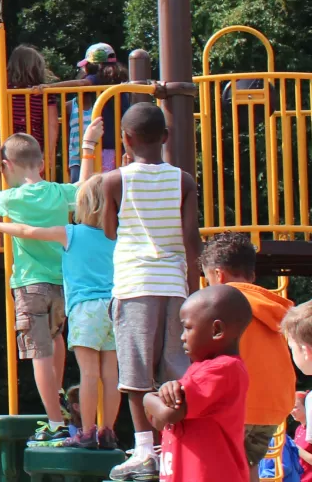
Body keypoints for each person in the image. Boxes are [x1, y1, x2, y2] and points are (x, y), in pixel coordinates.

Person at [103, 103, 202, 480]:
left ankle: (144, 449)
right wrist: (194, 287)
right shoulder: (184, 181)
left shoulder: (115, 180)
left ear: (125, 140)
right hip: (175, 286)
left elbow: (110, 231)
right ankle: (173, 446)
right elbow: (190, 239)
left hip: (133, 283)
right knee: (175, 371)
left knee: (136, 372)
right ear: (165, 137)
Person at [0, 130, 76, 443]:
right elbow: (84, 189)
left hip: (29, 284)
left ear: (8, 166)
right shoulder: (60, 193)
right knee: (56, 337)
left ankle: (54, 422)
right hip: (62, 282)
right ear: (43, 164)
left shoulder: (12, 198)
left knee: (39, 353)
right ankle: (58, 396)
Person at [200, 234, 295, 479]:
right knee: (248, 464)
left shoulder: (223, 302)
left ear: (218, 275)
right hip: (272, 407)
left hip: (237, 403)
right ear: (252, 275)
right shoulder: (273, 306)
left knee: (217, 468)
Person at [141, 286, 252, 482]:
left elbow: (170, 413)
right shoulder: (198, 369)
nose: (182, 336)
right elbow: (159, 420)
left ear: (216, 330)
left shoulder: (224, 369)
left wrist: (147, 397)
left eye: (188, 327)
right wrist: (162, 397)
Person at [52, 43, 125, 177]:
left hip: (94, 148)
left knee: (85, 189)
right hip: (114, 148)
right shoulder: (119, 86)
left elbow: (82, 83)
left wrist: (49, 87)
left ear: (90, 66)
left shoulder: (96, 79)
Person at [0, 44, 61, 170]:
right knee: (30, 183)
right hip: (31, 146)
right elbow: (52, 125)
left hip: (0, 145)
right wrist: (49, 154)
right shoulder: (42, 91)